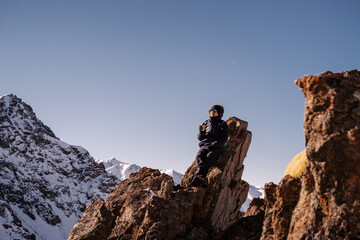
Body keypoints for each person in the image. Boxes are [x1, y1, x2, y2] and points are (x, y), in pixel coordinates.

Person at [192, 104, 229, 187]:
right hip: (205, 144)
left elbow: (224, 138)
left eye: (215, 111)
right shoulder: (205, 122)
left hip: (216, 147)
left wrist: (214, 145)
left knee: (209, 157)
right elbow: (200, 138)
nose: (212, 112)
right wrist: (201, 132)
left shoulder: (222, 124)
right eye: (210, 111)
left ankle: (202, 178)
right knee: (199, 156)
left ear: (219, 113)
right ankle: (199, 177)